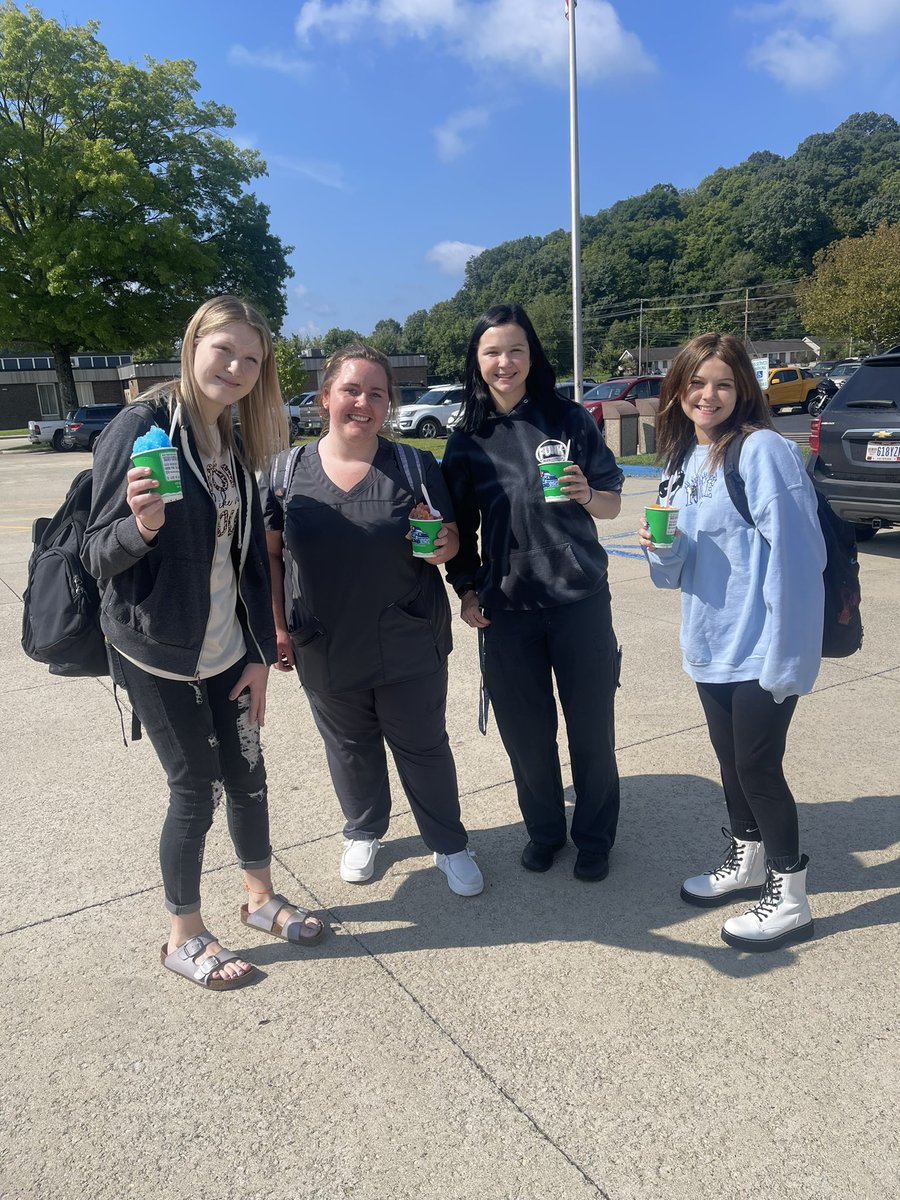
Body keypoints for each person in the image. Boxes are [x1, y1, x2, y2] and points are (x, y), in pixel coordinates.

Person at [83, 295, 326, 992]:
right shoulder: (140, 426)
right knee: (195, 789)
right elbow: (97, 555)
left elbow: (247, 559)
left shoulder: (236, 440)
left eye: (253, 359)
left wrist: (258, 654)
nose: (238, 367)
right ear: (193, 345)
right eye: (225, 349)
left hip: (226, 650)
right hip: (154, 652)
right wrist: (142, 527)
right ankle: (182, 936)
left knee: (248, 775)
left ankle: (257, 898)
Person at [263, 344, 483, 898]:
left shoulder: (414, 465)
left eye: (377, 393)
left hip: (407, 635)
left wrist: (440, 546)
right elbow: (267, 555)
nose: (363, 402)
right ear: (325, 399)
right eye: (351, 390)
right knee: (349, 746)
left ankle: (449, 843)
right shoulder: (285, 471)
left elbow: (453, 541)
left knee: (423, 746)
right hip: (323, 637)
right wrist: (277, 626)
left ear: (389, 404)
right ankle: (364, 830)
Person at [638, 332, 826, 952]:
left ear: (744, 388)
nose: (707, 395)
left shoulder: (763, 450)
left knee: (757, 766)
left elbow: (800, 559)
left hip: (763, 646)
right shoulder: (684, 462)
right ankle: (745, 861)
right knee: (728, 761)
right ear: (678, 390)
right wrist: (663, 549)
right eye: (695, 383)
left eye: (722, 382)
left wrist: (789, 657)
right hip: (710, 644)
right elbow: (673, 575)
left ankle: (790, 893)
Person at [441, 303, 624, 882]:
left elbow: (614, 501)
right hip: (507, 607)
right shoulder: (467, 437)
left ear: (531, 356)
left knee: (591, 729)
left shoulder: (569, 418)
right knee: (526, 734)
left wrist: (586, 494)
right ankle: (545, 831)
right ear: (477, 361)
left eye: (515, 350)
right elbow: (459, 527)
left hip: (579, 600)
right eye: (492, 351)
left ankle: (595, 837)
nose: (504, 362)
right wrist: (467, 590)